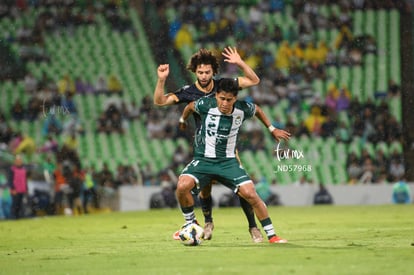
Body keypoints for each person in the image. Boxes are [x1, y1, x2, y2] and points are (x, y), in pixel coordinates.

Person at [154, 47, 266, 242]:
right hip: (204, 146)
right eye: (200, 72)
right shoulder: (189, 92)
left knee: (242, 188)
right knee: (204, 187)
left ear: (213, 71)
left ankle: (253, 227)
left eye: (207, 72)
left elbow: (254, 80)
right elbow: (160, 101)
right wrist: (162, 79)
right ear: (194, 72)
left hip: (228, 147)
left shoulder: (225, 86)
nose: (204, 76)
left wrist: (239, 62)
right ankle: (207, 223)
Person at [176, 79, 290, 243]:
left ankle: (272, 235)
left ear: (235, 98)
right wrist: (182, 120)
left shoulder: (243, 109)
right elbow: (189, 107)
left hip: (228, 162)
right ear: (216, 95)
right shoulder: (205, 104)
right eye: (221, 98)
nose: (224, 103)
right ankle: (190, 224)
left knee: (250, 193)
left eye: (229, 100)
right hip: (203, 160)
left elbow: (257, 109)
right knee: (182, 186)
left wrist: (272, 129)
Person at [8, 155, 28, 219]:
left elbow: (25, 180)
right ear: (15, 162)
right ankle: (13, 216)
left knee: (20, 204)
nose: (19, 162)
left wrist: (26, 188)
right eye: (17, 161)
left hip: (22, 189)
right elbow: (10, 180)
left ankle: (19, 216)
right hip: (15, 190)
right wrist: (13, 188)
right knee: (15, 204)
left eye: (20, 161)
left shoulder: (24, 169)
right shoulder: (12, 169)